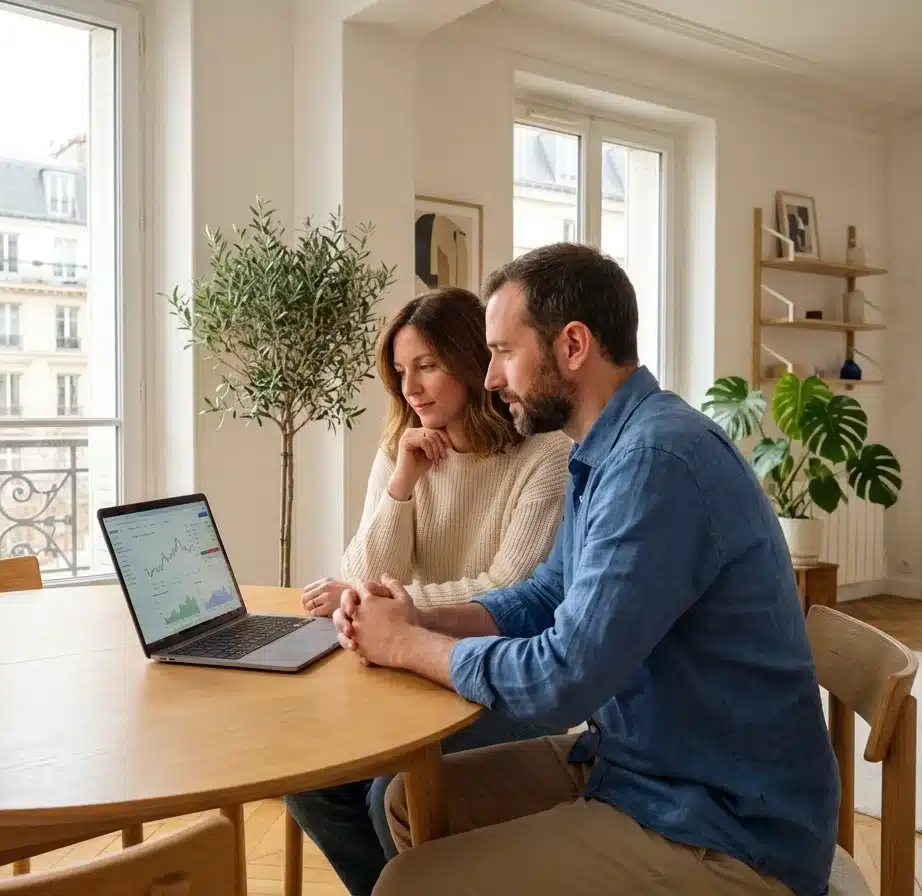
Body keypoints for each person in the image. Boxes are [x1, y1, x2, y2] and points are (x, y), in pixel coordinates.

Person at [334, 244, 841, 896]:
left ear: (573, 345)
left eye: (504, 352)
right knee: (407, 799)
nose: (490, 377)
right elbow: (549, 592)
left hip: (726, 826)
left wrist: (409, 643)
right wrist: (421, 615)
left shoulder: (658, 461)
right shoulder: (605, 448)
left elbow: (562, 679)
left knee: (410, 884)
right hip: (635, 768)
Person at [287, 286, 572, 896]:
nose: (410, 387)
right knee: (305, 777)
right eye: (399, 371)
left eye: (427, 366)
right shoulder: (402, 448)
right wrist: (403, 482)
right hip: (406, 670)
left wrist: (403, 611)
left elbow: (511, 588)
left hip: (497, 679)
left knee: (384, 794)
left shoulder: (544, 456)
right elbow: (363, 567)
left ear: (474, 363)